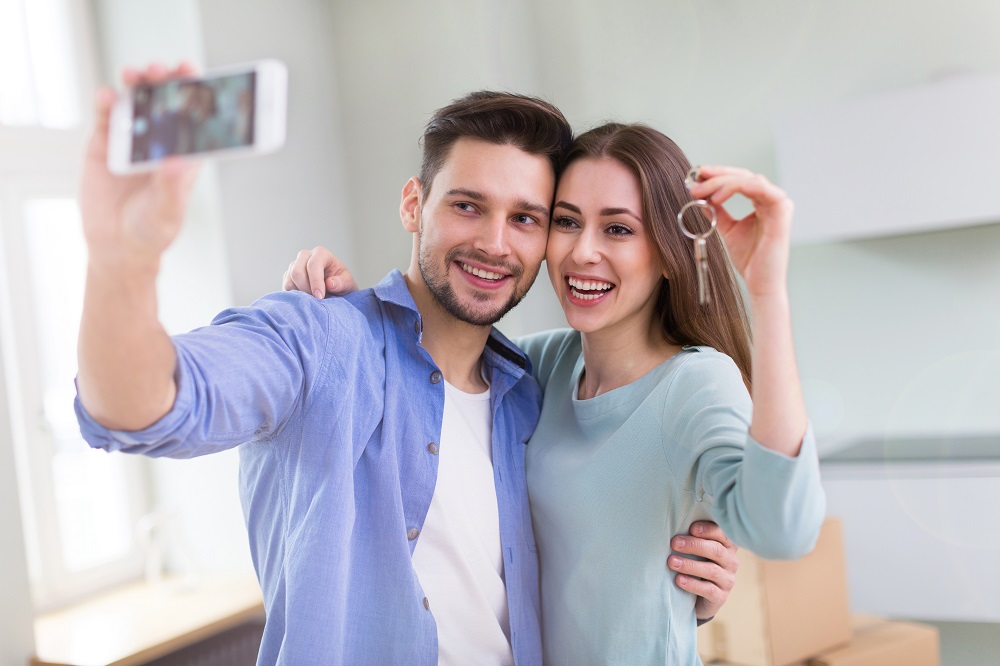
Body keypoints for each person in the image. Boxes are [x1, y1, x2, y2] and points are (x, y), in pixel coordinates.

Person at [74, 63, 738, 665]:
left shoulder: (530, 391)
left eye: (527, 218)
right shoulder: (320, 339)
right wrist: (120, 262)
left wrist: (685, 587)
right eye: (468, 205)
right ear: (413, 205)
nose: (494, 242)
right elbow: (143, 406)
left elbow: (582, 551)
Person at [283, 122, 827, 663]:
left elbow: (784, 531)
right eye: (567, 222)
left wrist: (767, 289)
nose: (583, 252)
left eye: (617, 229)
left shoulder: (692, 384)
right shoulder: (535, 366)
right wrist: (351, 318)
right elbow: (426, 371)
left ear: (666, 253)